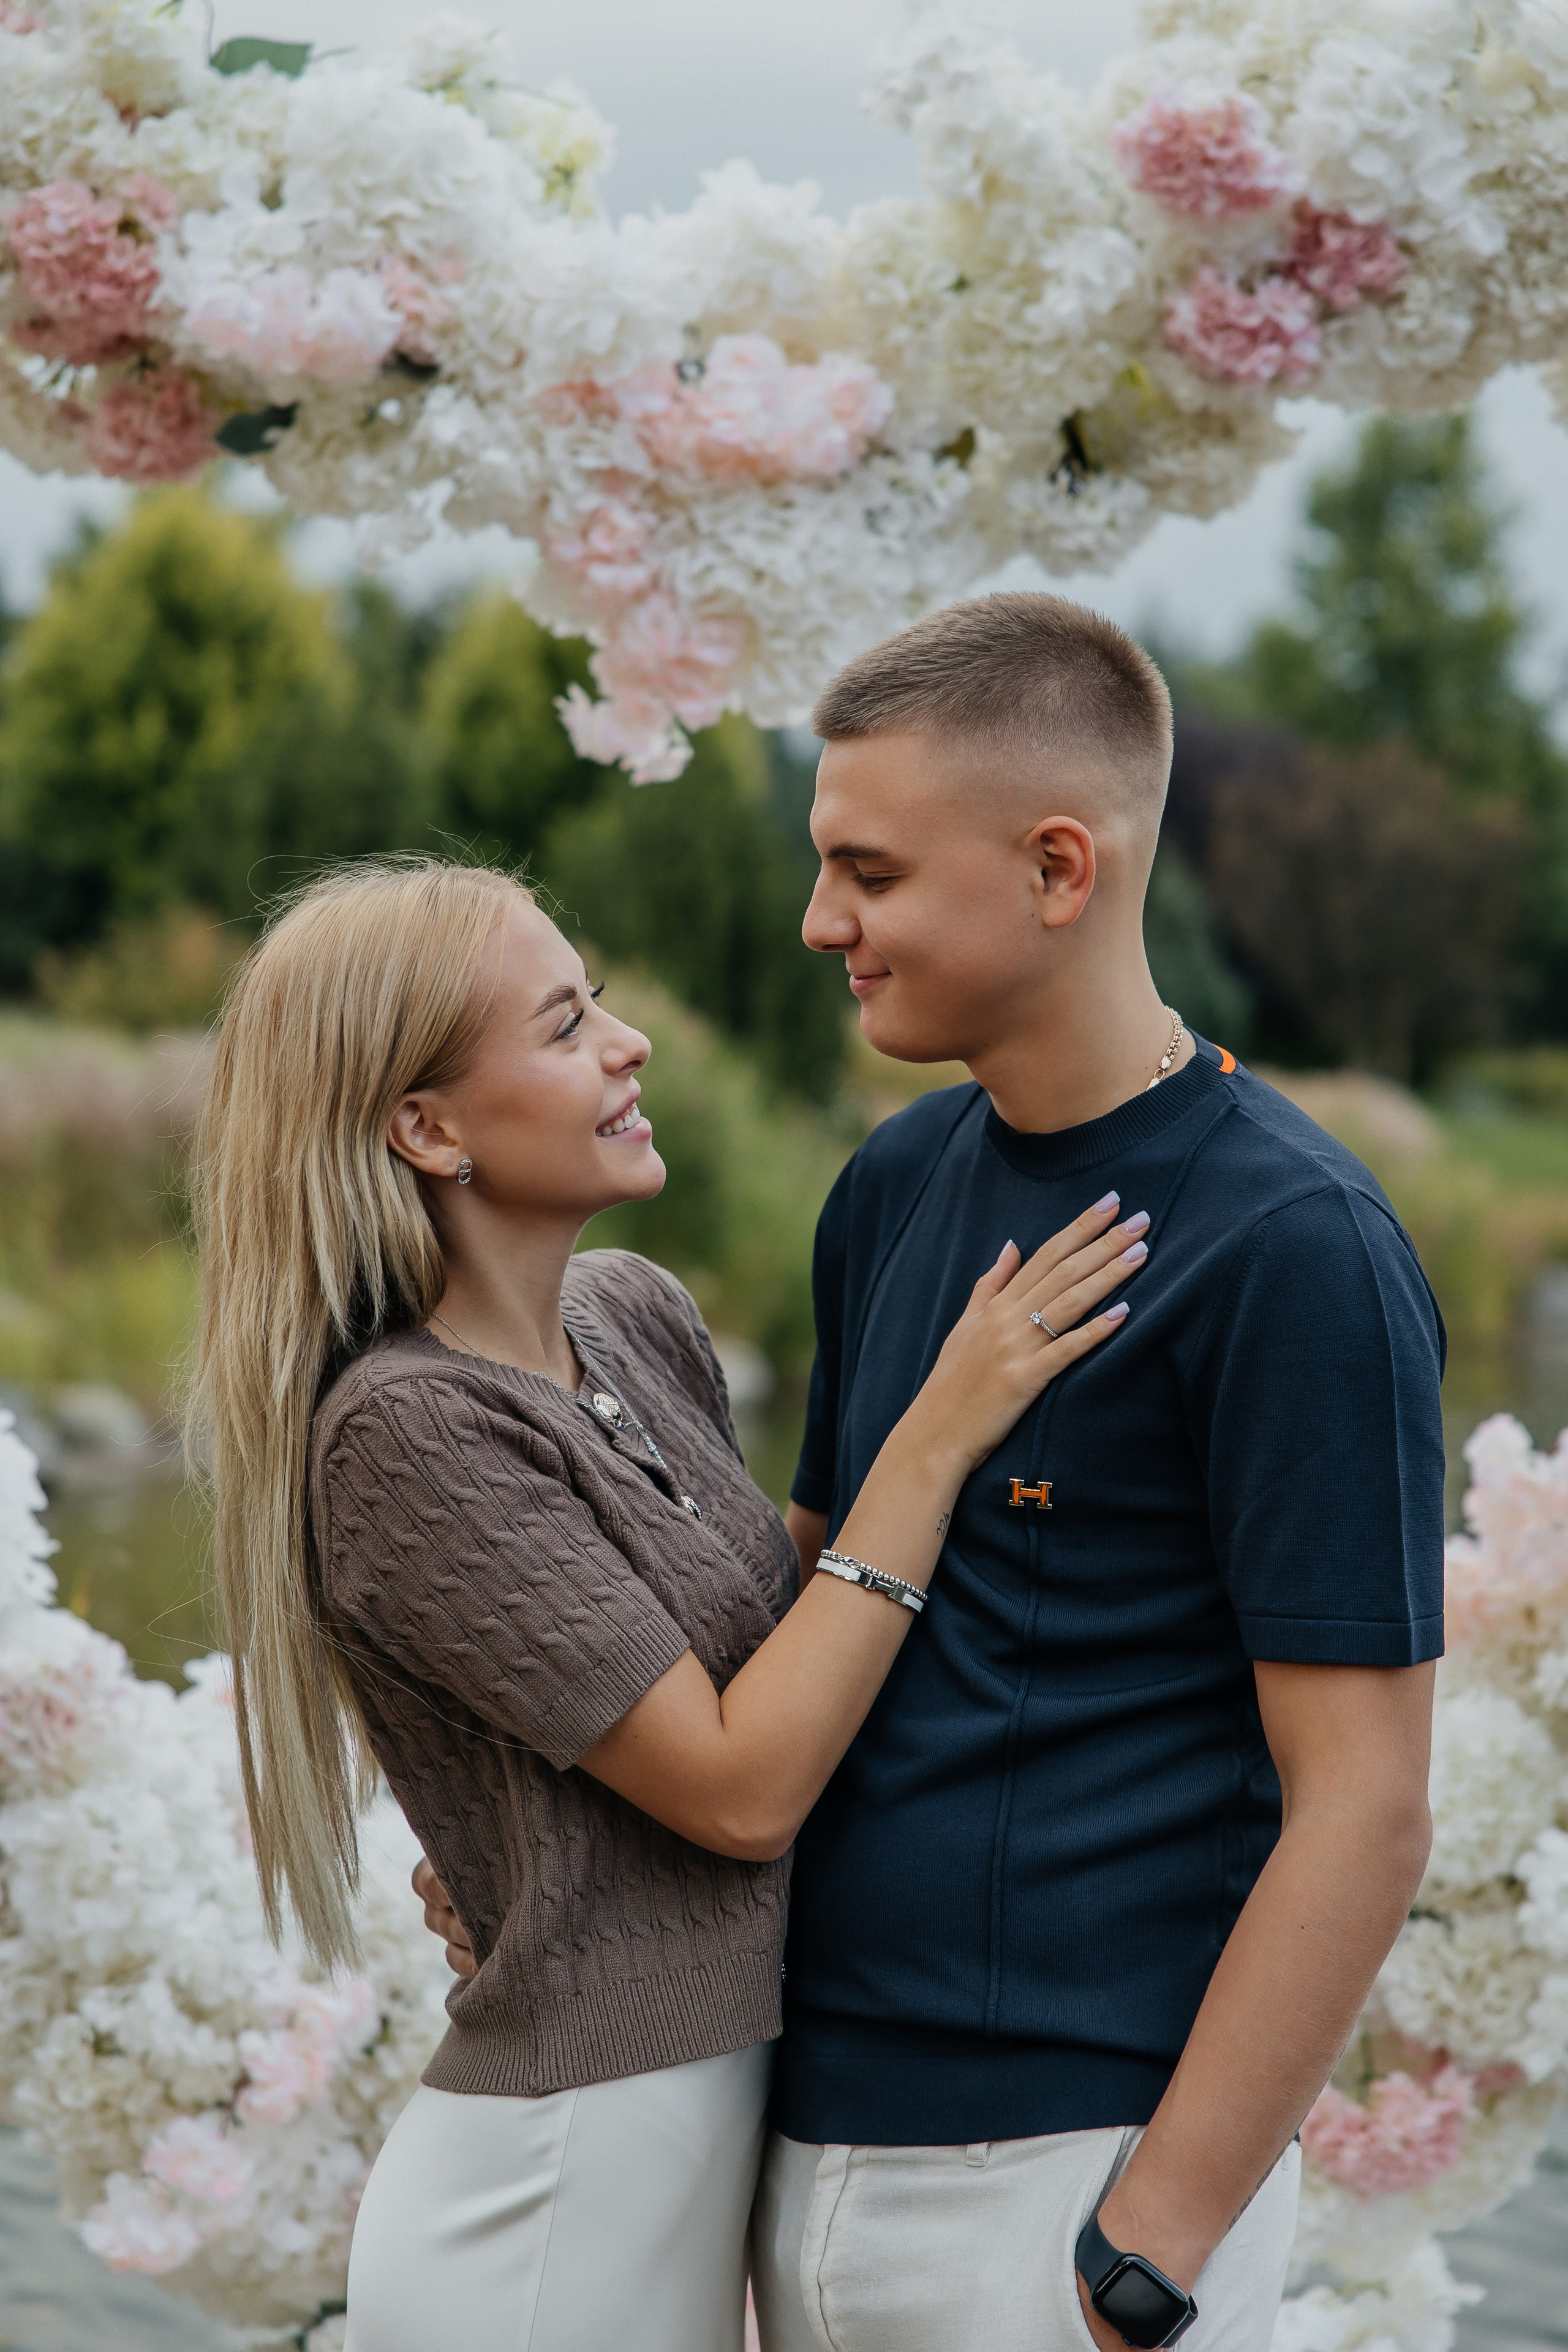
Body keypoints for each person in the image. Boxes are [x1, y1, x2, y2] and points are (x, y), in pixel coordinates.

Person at [417, 593, 1442, 2351]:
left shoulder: (1294, 1246)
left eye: (869, 873)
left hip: (1071, 2184)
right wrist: (544, 1842)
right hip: (795, 2141)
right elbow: (796, 1622)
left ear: (1057, 869)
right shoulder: (891, 1189)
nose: (822, 922)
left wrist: (1148, 2254)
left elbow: (1365, 1804)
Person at [187, 855, 1147, 2352]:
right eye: (565, 1025)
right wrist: (939, 1433)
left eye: (599, 1003)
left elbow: (762, 1655)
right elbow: (742, 1790)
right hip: (554, 2199)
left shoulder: (632, 1314)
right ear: (425, 1127)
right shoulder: (403, 1430)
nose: (627, 1044)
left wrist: (534, 1864)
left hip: (695, 2164)